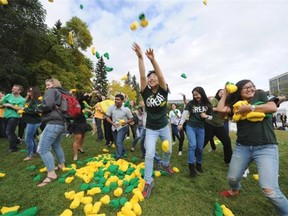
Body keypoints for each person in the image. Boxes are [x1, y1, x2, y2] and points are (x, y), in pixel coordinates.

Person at [216, 79, 288, 215]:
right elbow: (220, 110)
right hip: (242, 147)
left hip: (266, 147)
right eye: (245, 88)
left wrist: (250, 108)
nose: (250, 89)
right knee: (232, 178)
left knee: (270, 190)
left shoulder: (260, 94)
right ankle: (235, 190)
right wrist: (225, 93)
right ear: (239, 91)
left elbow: (272, 107)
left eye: (252, 86)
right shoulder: (236, 105)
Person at [132, 42, 174, 199]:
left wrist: (153, 59)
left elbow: (161, 76)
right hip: (150, 128)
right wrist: (140, 57)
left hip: (164, 126)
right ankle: (148, 182)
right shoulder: (145, 93)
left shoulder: (164, 90)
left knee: (168, 150)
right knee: (149, 154)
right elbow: (142, 75)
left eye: (154, 76)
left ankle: (164, 164)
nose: (151, 78)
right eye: (150, 77)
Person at [36, 78, 66, 187]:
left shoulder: (51, 91)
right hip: (61, 123)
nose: (47, 87)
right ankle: (61, 164)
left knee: (43, 149)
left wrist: (38, 109)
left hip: (53, 123)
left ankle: (51, 174)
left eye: (48, 84)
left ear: (54, 84)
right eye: (46, 85)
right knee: (56, 144)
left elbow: (47, 105)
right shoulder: (60, 93)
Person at [178, 86, 213, 177]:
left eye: (197, 94)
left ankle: (198, 165)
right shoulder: (191, 103)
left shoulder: (207, 104)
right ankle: (191, 168)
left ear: (201, 93)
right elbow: (185, 113)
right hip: (191, 126)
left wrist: (206, 116)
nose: (195, 96)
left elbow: (212, 117)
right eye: (194, 95)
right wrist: (181, 123)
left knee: (200, 148)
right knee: (192, 145)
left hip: (201, 128)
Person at [204, 89, 233, 164]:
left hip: (220, 126)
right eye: (220, 92)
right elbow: (208, 109)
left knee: (227, 142)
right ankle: (195, 156)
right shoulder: (214, 100)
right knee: (204, 142)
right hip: (209, 124)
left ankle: (228, 161)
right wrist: (218, 109)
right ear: (217, 93)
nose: (222, 93)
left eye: (224, 92)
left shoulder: (227, 103)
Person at [105, 94, 134, 160]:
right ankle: (123, 151)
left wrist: (125, 122)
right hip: (114, 127)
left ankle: (118, 157)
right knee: (116, 142)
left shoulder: (126, 109)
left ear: (122, 101)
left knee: (118, 141)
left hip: (123, 127)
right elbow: (107, 117)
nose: (116, 101)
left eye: (118, 99)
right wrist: (112, 123)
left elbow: (131, 119)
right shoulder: (111, 107)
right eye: (115, 99)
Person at [67, 91, 93, 161]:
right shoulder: (74, 101)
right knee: (78, 137)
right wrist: (90, 93)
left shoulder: (80, 102)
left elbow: (85, 103)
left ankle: (80, 147)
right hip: (76, 121)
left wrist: (90, 111)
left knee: (83, 135)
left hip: (82, 120)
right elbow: (83, 97)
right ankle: (75, 155)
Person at [0, 84, 25, 152]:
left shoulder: (22, 99)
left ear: (19, 91)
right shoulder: (8, 95)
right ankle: (17, 140)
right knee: (8, 132)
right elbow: (1, 102)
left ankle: (13, 148)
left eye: (15, 89)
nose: (12, 90)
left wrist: (10, 105)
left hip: (14, 117)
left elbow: (20, 108)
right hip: (5, 116)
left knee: (9, 132)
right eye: (12, 88)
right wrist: (4, 104)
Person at [22, 86, 42, 161]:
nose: (28, 93)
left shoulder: (37, 101)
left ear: (34, 92)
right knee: (31, 137)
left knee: (27, 138)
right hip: (30, 121)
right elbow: (26, 106)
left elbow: (35, 111)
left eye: (30, 92)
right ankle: (35, 151)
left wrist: (25, 109)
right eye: (28, 91)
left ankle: (29, 155)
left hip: (34, 121)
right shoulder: (30, 99)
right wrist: (27, 98)